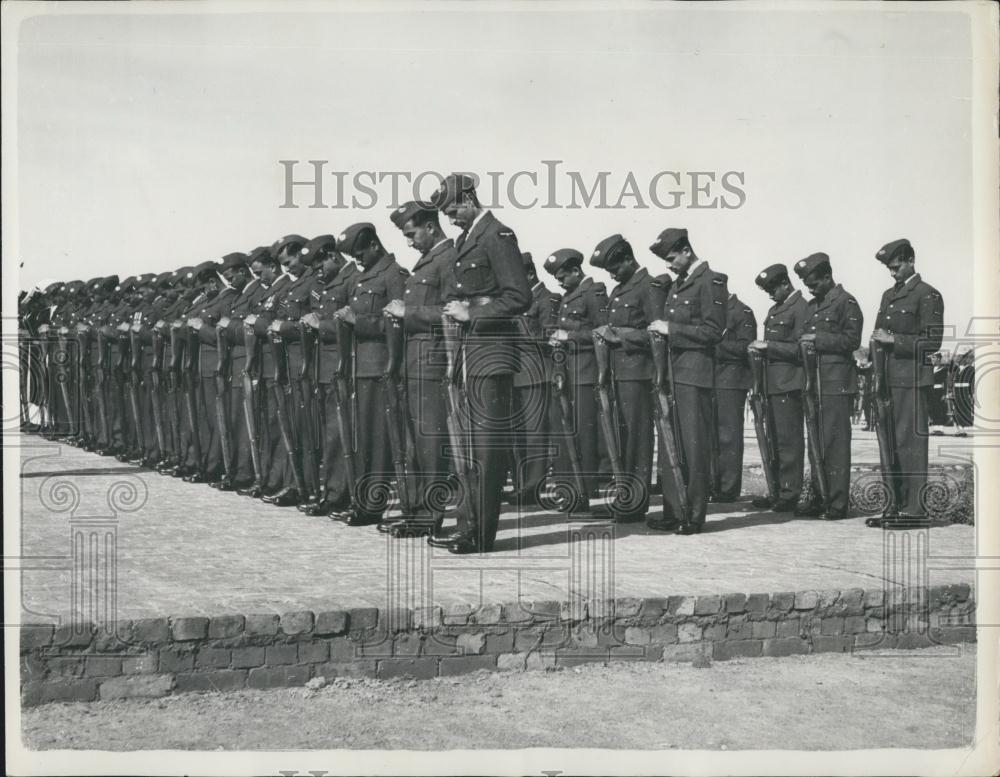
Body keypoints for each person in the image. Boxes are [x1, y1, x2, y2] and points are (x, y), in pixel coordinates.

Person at [427, 173, 532, 554]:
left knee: (486, 448)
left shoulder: (497, 236)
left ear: (469, 198)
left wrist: (471, 311)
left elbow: (519, 296)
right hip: (470, 354)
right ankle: (467, 525)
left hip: (492, 356)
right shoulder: (468, 238)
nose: (451, 217)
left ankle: (481, 534)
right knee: (467, 447)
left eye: (454, 208)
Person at [382, 200, 454, 536]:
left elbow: (454, 311)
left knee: (430, 446)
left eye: (412, 234)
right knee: (414, 446)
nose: (410, 242)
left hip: (433, 363)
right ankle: (417, 512)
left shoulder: (448, 258)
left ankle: (430, 516)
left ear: (430, 225)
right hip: (414, 364)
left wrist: (406, 313)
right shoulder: (426, 262)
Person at [647, 228, 726, 534]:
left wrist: (672, 330)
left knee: (693, 446)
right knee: (671, 445)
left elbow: (713, 331)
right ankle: (673, 509)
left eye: (671, 258)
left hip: (694, 375)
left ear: (685, 250)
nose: (669, 265)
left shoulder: (711, 281)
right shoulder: (678, 285)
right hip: (673, 372)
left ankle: (693, 514)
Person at [332, 222, 409, 526]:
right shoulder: (361, 277)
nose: (357, 259)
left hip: (381, 366)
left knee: (378, 441)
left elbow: (396, 323)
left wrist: (357, 320)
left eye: (360, 253)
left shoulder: (394, 275)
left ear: (374, 245)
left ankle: (371, 505)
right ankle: (361, 499)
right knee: (362, 438)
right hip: (359, 366)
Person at [868, 238, 944, 528]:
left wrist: (894, 341)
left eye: (896, 267)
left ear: (911, 260)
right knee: (890, 446)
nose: (892, 273)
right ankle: (894, 507)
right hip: (887, 379)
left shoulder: (927, 295)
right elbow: (878, 332)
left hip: (912, 380)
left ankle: (914, 510)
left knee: (910, 445)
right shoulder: (889, 295)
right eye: (889, 269)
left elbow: (932, 342)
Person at [591, 234, 667, 522]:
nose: (610, 275)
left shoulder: (649, 287)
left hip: (638, 374)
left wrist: (620, 335)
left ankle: (634, 503)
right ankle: (625, 498)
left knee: (636, 440)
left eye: (614, 268)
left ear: (628, 259)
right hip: (617, 374)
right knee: (621, 439)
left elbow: (656, 333)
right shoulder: (621, 289)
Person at [793, 253, 863, 520]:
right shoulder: (812, 306)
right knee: (816, 443)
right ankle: (819, 495)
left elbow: (852, 340)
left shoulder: (847, 302)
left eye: (813, 284)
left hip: (836, 383)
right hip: (814, 383)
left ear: (827, 276)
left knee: (835, 444)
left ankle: (836, 504)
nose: (810, 289)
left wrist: (818, 339)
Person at [544, 248, 609, 502]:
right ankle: (567, 489)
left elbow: (601, 332)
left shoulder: (593, 292)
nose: (559, 283)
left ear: (575, 270)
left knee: (583, 434)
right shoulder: (569, 295)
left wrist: (568, 337)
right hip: (566, 373)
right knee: (564, 431)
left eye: (562, 277)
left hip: (586, 373)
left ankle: (585, 490)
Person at [749, 264, 811, 512]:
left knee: (788, 442)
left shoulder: (800, 308)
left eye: (773, 288)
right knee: (774, 440)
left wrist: (768, 347)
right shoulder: (777, 309)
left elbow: (801, 349)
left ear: (786, 283)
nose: (770, 294)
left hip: (788, 384)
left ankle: (789, 493)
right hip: (772, 383)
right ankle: (777, 490)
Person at [507, 251, 562, 507]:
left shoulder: (546, 299)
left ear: (530, 274)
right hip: (517, 374)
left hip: (537, 374)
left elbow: (550, 339)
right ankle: (522, 484)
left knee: (535, 435)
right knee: (519, 434)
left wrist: (519, 336)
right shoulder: (519, 300)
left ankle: (532, 488)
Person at [713, 291, 757, 502]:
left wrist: (714, 347)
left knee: (728, 437)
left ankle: (728, 489)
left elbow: (745, 346)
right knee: (712, 436)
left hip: (731, 381)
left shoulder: (742, 311)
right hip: (711, 379)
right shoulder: (713, 310)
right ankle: (714, 484)